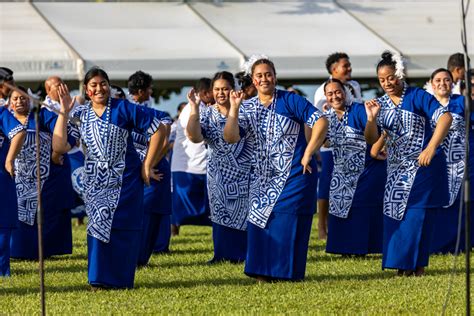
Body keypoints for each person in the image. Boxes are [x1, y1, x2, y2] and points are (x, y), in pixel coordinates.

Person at [53, 67, 163, 289]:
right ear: (86, 89)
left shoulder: (124, 108)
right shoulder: (80, 114)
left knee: (124, 228)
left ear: (109, 86)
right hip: (95, 183)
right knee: (97, 227)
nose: (99, 88)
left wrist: (147, 164)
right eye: (93, 85)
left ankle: (121, 279)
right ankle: (98, 279)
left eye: (103, 83)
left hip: (127, 180)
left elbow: (159, 129)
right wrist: (64, 111)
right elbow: (59, 146)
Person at [224, 56, 328, 281]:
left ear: (275, 76)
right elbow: (230, 137)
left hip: (295, 176)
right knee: (260, 223)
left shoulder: (290, 100)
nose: (264, 79)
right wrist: (233, 109)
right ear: (253, 79)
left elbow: (320, 121)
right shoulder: (248, 107)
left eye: (268, 74)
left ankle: (284, 274)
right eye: (259, 75)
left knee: (285, 222)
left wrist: (309, 152)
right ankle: (261, 273)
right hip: (261, 180)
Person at [364, 51, 452, 276]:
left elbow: (445, 118)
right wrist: (372, 119)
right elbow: (372, 142)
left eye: (391, 77)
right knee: (396, 216)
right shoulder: (380, 104)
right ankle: (402, 265)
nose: (387, 83)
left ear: (399, 75)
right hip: (395, 172)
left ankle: (416, 266)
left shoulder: (417, 96)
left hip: (423, 169)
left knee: (417, 217)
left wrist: (431, 147)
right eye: (382, 80)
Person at [187, 71, 253, 263]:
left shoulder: (246, 110)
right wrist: (194, 109)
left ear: (233, 89)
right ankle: (223, 255)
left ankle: (246, 255)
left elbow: (231, 137)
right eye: (217, 89)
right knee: (220, 213)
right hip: (218, 173)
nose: (221, 93)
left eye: (225, 88)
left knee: (243, 214)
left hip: (244, 172)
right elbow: (195, 137)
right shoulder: (207, 112)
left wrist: (234, 109)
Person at [9, 86, 75, 260]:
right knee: (17, 215)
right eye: (15, 99)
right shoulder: (7, 120)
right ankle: (16, 251)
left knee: (44, 217)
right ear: (9, 104)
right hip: (16, 178)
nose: (19, 101)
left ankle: (43, 251)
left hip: (43, 179)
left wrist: (56, 151)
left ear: (30, 100)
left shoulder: (42, 116)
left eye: (23, 98)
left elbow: (68, 133)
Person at [323, 79, 385, 255]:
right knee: (339, 205)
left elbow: (373, 136)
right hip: (341, 171)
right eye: (330, 93)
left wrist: (372, 119)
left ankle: (364, 247)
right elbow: (325, 142)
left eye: (338, 92)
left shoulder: (358, 110)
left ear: (345, 92)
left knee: (361, 206)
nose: (335, 96)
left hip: (367, 170)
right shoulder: (327, 116)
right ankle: (344, 248)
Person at [313, 52, 363, 239]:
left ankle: (347, 223)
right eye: (345, 65)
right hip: (330, 145)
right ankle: (322, 225)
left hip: (354, 143)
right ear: (334, 69)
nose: (349, 68)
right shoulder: (321, 90)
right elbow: (319, 118)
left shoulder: (355, 85)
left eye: (349, 65)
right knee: (327, 182)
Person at [127, 70, 172, 266]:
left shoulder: (156, 114)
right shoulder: (129, 113)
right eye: (149, 89)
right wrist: (146, 168)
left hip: (150, 167)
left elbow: (164, 144)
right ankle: (136, 257)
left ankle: (143, 257)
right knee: (143, 213)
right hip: (137, 169)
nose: (151, 92)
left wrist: (147, 166)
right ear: (141, 91)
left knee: (154, 213)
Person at [170, 78, 214, 235]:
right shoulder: (193, 109)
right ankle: (173, 232)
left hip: (199, 165)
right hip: (188, 166)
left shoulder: (203, 107)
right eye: (213, 91)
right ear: (205, 93)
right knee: (180, 207)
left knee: (204, 205)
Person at [44, 76, 87, 225]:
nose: (63, 87)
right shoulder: (45, 109)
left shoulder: (74, 102)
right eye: (57, 85)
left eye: (63, 83)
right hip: (56, 156)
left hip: (76, 153)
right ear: (48, 91)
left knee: (85, 189)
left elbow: (80, 124)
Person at [0, 99, 26, 276]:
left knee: (2, 223)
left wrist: (9, 160)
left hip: (1, 177)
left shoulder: (1, 113)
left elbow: (18, 132)